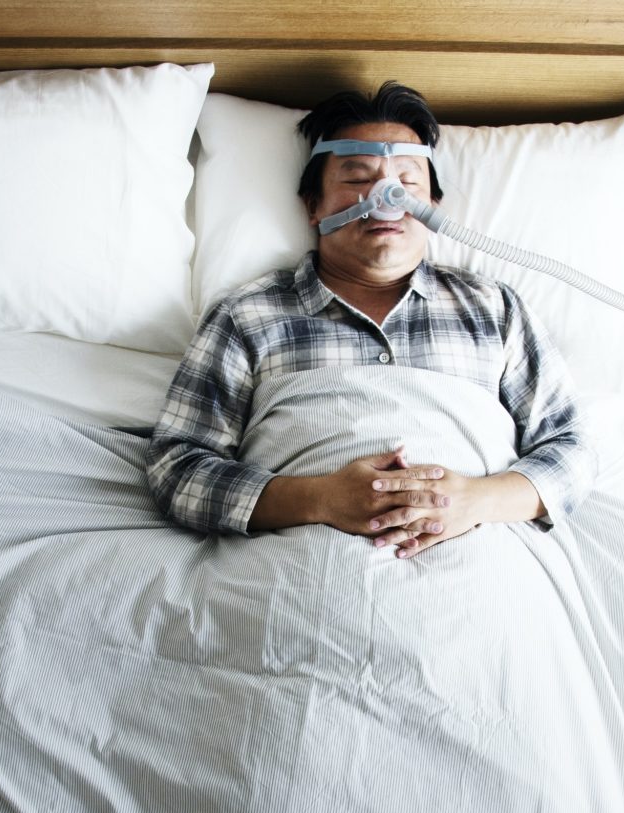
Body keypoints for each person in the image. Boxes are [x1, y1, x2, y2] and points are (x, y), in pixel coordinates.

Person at [146, 82, 596, 558]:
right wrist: (320, 499)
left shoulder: (493, 309)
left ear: (434, 209)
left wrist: (473, 501)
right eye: (358, 178)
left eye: (407, 181)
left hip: (483, 566)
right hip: (302, 571)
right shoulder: (247, 316)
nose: (386, 196)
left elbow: (571, 450)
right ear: (313, 205)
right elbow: (177, 468)